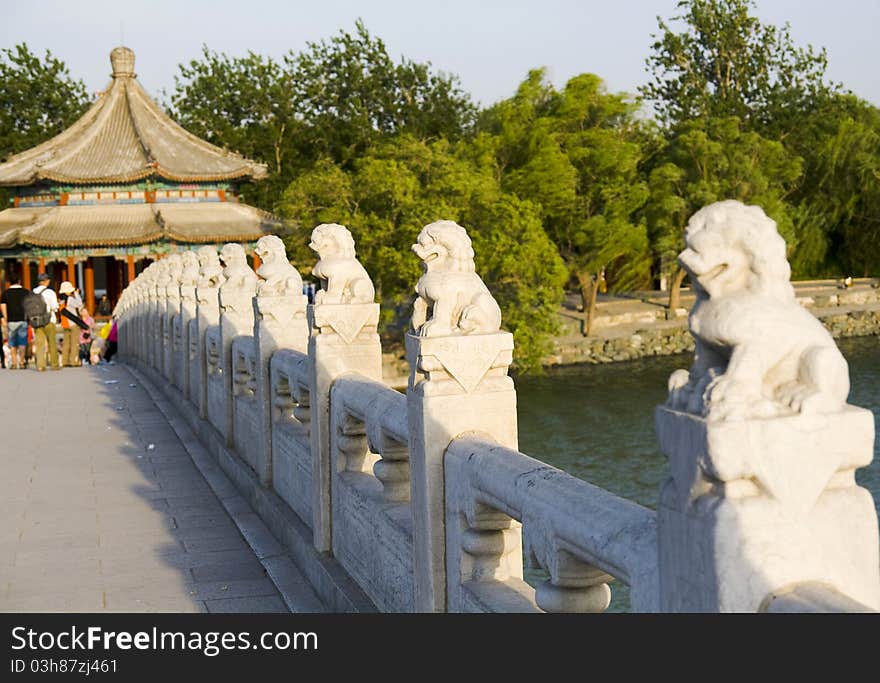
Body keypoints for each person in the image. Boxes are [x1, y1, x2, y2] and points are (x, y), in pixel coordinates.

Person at [32, 273, 60, 371]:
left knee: (39, 343)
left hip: (37, 320)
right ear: (45, 281)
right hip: (49, 319)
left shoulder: (33, 292)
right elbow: (55, 307)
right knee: (52, 342)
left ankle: (40, 365)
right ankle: (54, 364)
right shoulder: (50, 292)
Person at [1, 276, 29, 369]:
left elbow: (3, 306)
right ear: (19, 281)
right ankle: (21, 361)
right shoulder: (26, 292)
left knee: (12, 342)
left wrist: (5, 318)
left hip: (11, 320)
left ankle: (14, 362)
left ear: (10, 283)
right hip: (23, 319)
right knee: (22, 341)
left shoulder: (6, 293)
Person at [58, 281, 83, 367]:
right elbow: (79, 304)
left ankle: (65, 361)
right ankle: (73, 361)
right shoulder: (70, 299)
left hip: (65, 323)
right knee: (74, 343)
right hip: (73, 323)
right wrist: (76, 294)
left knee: (66, 343)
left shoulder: (61, 300)